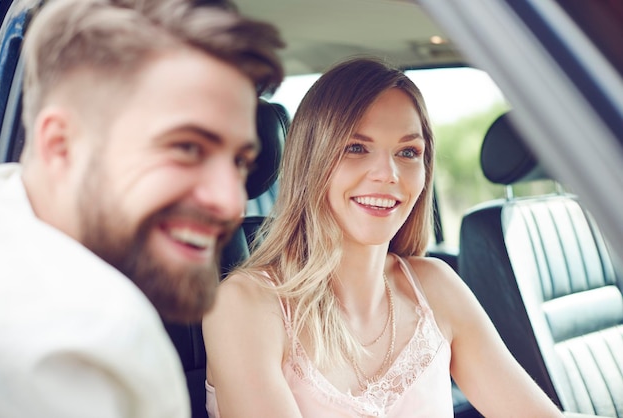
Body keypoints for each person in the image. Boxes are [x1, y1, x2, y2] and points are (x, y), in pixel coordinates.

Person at [202, 57, 564, 417]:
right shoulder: (245, 305)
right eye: (356, 147)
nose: (388, 174)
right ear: (312, 160)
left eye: (408, 152)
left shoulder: (436, 287)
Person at [0, 0, 283, 416]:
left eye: (240, 162)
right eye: (187, 148)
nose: (232, 202)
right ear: (60, 145)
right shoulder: (87, 343)